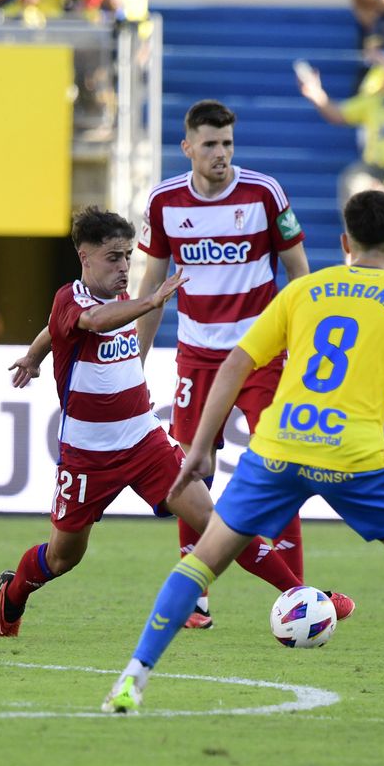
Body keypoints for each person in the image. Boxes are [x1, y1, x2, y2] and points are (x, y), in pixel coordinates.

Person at [104, 190, 384, 726]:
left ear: (345, 242)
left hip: (278, 447)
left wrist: (200, 448)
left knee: (203, 559)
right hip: (353, 455)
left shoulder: (304, 291)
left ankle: (131, 679)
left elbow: (235, 364)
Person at [0, 208, 343, 639]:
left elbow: (56, 331)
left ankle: (304, 594)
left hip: (145, 442)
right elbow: (87, 321)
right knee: (63, 557)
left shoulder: (119, 298)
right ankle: (14, 592)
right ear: (84, 257)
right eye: (113, 258)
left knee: (218, 524)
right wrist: (151, 300)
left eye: (127, 257)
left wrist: (34, 356)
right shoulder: (74, 299)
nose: (124, 267)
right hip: (87, 457)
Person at [135, 99, 312, 629]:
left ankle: (299, 596)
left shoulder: (264, 193)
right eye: (210, 144)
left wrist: (302, 349)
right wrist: (134, 360)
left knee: (279, 462)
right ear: (187, 147)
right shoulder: (165, 202)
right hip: (196, 357)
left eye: (227, 144)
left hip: (261, 354)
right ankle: (196, 596)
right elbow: (152, 288)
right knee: (191, 470)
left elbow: (300, 277)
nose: (221, 154)